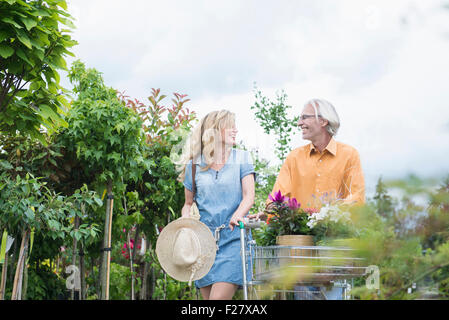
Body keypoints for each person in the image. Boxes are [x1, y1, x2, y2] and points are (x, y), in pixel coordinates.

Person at [251, 98, 365, 300]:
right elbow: (276, 197)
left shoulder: (349, 155)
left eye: (304, 117)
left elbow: (357, 198)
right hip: (301, 248)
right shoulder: (294, 158)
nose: (299, 123)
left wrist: (330, 213)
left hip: (332, 248)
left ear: (323, 121)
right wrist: (269, 211)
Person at [177, 109, 255, 300]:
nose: (236, 130)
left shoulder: (242, 158)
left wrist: (238, 214)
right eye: (230, 126)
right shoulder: (194, 165)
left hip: (234, 239)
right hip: (204, 244)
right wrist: (185, 218)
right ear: (215, 130)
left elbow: (249, 196)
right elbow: (188, 203)